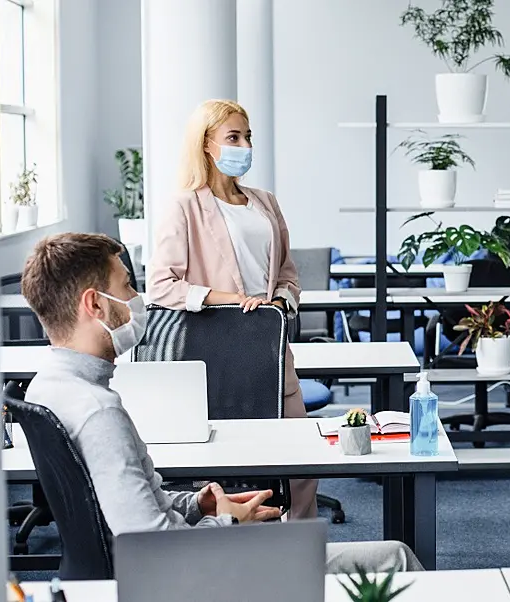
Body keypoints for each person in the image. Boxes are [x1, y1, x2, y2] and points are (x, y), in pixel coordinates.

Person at [21, 233, 423, 573]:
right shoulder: (99, 413)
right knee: (396, 558)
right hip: (195, 576)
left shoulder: (48, 387)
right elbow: (154, 551)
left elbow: (127, 509)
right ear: (94, 305)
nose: (137, 298)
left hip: (167, 567)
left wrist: (199, 504)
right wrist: (229, 520)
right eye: (126, 286)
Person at [147, 99, 317, 520]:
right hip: (219, 354)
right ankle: (245, 553)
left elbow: (289, 275)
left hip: (272, 348)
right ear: (207, 145)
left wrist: (278, 301)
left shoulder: (265, 203)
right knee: (246, 469)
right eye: (233, 137)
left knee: (303, 463)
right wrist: (229, 300)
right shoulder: (184, 206)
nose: (244, 145)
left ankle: (299, 550)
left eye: (247, 136)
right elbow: (161, 285)